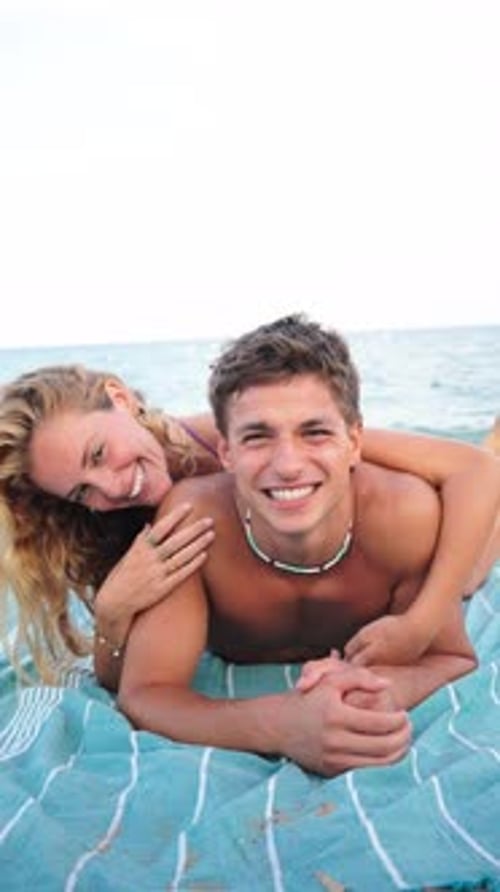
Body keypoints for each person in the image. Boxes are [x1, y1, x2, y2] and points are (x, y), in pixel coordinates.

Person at [116, 315, 499, 776]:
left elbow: (452, 658)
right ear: (225, 454)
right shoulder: (195, 523)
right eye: (257, 437)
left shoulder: (405, 516)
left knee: (473, 568)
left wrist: (375, 689)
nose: (289, 465)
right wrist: (277, 724)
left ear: (355, 441)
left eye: (315, 432)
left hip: (413, 524)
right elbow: (145, 692)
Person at [0, 351, 498, 691]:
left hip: (387, 523)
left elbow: (471, 471)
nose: (111, 485)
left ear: (121, 399)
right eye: (82, 489)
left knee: (470, 571)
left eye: (100, 452)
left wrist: (423, 618)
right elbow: (117, 681)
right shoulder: (106, 523)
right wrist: (111, 613)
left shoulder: (236, 440)